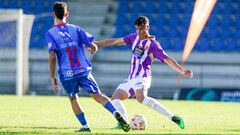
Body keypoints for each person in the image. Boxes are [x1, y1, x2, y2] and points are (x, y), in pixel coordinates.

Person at [95, 16, 193, 129]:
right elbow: (115, 41)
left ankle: (173, 117)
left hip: (143, 77)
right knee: (115, 98)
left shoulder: (153, 44)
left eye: (142, 28)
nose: (139, 31)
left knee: (140, 98)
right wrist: (97, 43)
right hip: (131, 78)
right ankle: (124, 124)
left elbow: (167, 59)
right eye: (137, 29)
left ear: (147, 27)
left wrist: (182, 71)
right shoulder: (133, 38)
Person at [45, 2, 130, 132]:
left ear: (53, 14)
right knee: (98, 95)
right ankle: (114, 112)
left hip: (67, 73)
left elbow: (52, 56)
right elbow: (93, 46)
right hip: (83, 70)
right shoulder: (76, 29)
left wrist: (52, 78)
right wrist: (92, 49)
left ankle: (85, 126)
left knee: (73, 98)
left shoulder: (50, 33)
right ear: (67, 14)